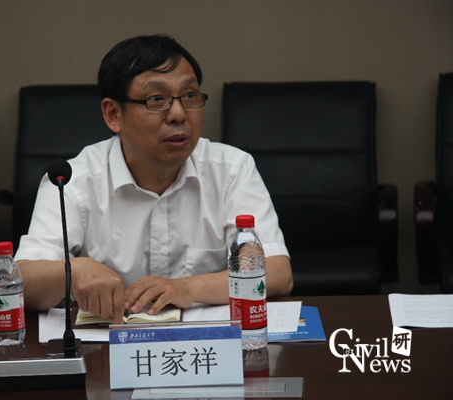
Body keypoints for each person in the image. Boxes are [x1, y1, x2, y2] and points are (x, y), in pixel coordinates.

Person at [15, 34, 293, 324]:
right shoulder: (72, 180)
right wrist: (76, 271)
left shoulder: (231, 169)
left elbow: (277, 272)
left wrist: (188, 288)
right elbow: (24, 282)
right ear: (113, 114)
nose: (178, 114)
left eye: (190, 96)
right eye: (156, 99)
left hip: (206, 344)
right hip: (106, 347)